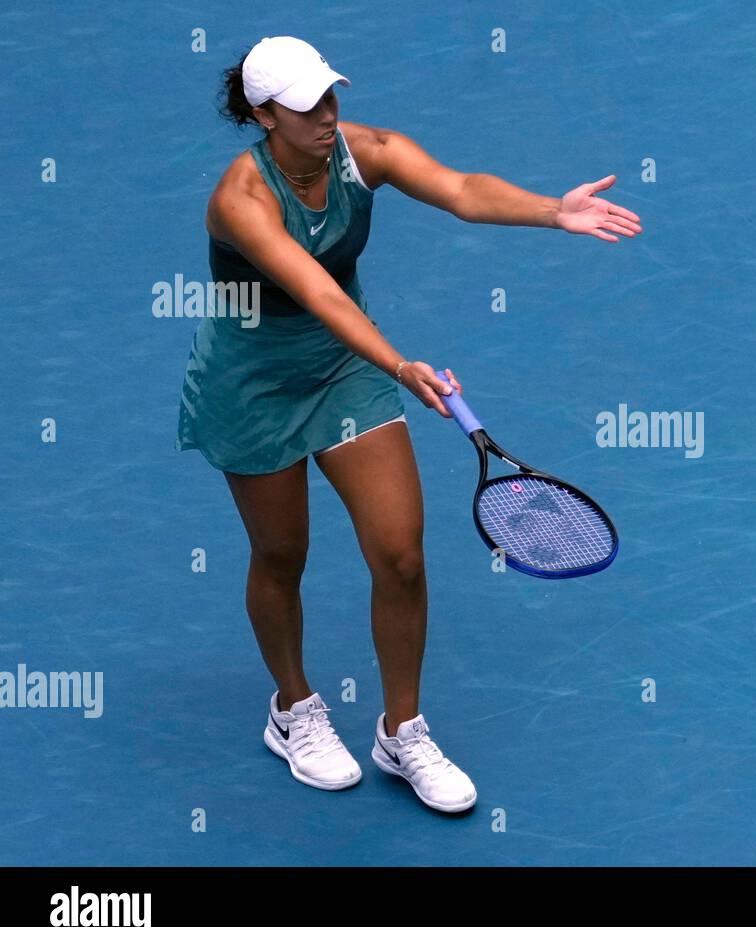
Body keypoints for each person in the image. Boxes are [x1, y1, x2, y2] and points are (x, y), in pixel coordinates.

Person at [174, 36, 642, 812]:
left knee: (401, 554)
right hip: (253, 385)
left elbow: (460, 188)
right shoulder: (240, 200)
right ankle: (293, 711)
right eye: (303, 108)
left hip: (346, 369)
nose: (326, 117)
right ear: (262, 115)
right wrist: (401, 366)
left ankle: (402, 731)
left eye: (330, 97)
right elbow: (320, 294)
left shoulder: (364, 152)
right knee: (282, 555)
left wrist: (552, 211)